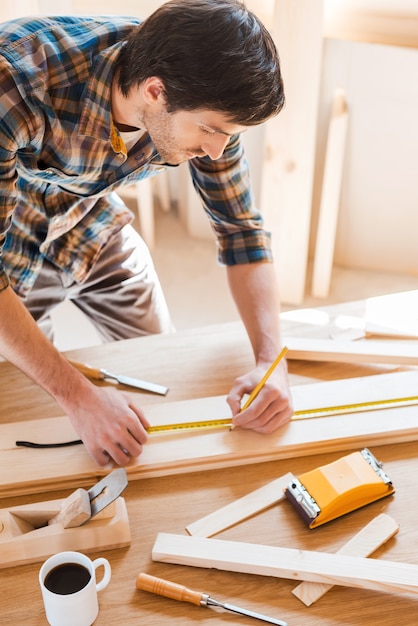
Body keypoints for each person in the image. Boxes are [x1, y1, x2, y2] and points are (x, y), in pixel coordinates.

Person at [0, 0, 293, 467]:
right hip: (11, 242)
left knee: (163, 369)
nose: (219, 150)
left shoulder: (202, 95)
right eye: (211, 130)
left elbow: (242, 231)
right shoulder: (15, 81)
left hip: (88, 220)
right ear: (155, 91)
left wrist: (271, 362)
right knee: (27, 412)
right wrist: (80, 399)